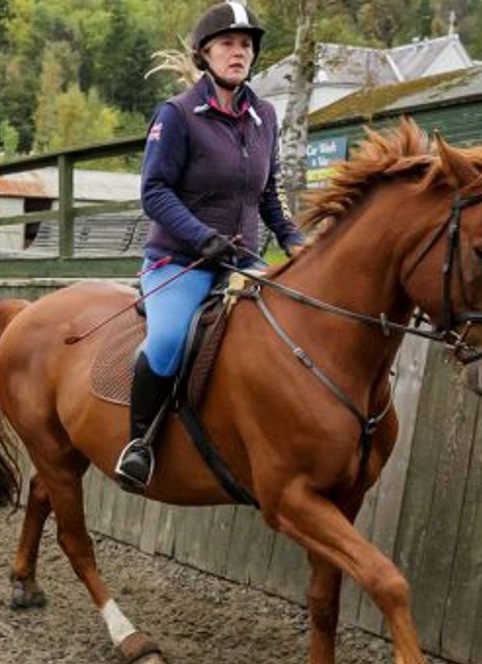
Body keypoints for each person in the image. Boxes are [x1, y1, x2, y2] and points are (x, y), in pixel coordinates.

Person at [114, 1, 307, 494]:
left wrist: (292, 238)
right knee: (166, 341)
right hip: (181, 261)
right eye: (228, 43)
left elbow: (269, 191)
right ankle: (139, 445)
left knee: (293, 330)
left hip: (244, 261)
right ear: (205, 53)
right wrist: (202, 237)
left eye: (246, 45)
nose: (238, 52)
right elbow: (154, 191)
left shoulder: (264, 115)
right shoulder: (177, 115)